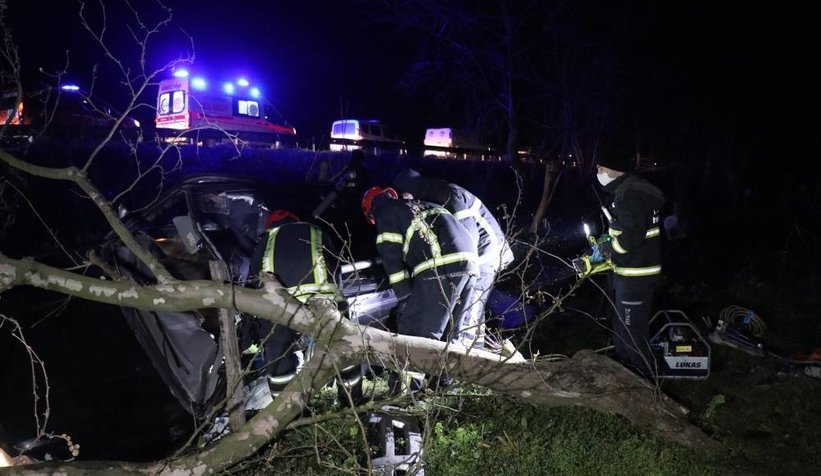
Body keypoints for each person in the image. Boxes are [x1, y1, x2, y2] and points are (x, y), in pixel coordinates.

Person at [361, 186, 478, 393]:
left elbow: (392, 260)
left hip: (439, 267)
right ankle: (445, 386)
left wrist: (405, 296)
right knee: (453, 332)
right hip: (469, 265)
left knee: (416, 334)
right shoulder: (422, 203)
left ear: (371, 212)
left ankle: (405, 395)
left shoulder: (386, 211)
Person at [242, 210, 362, 401]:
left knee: (278, 357)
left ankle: (286, 414)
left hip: (282, 306)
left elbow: (254, 279)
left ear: (271, 226)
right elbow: (336, 265)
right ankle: (352, 400)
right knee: (344, 349)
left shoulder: (267, 239)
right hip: (326, 300)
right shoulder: (317, 231)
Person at [392, 168, 514, 350]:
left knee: (469, 314)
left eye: (404, 197)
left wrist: (465, 266)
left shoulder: (448, 193)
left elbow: (467, 233)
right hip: (479, 256)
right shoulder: (439, 193)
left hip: (484, 256)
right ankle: (465, 358)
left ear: (409, 189)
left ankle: (470, 360)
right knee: (466, 312)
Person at [594, 145, 665, 377]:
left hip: (635, 275)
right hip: (634, 273)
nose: (598, 171)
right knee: (623, 328)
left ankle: (644, 384)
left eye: (601, 167)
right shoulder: (631, 191)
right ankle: (625, 376)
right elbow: (628, 229)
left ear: (613, 169)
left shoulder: (628, 194)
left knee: (631, 333)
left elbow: (632, 236)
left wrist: (610, 251)